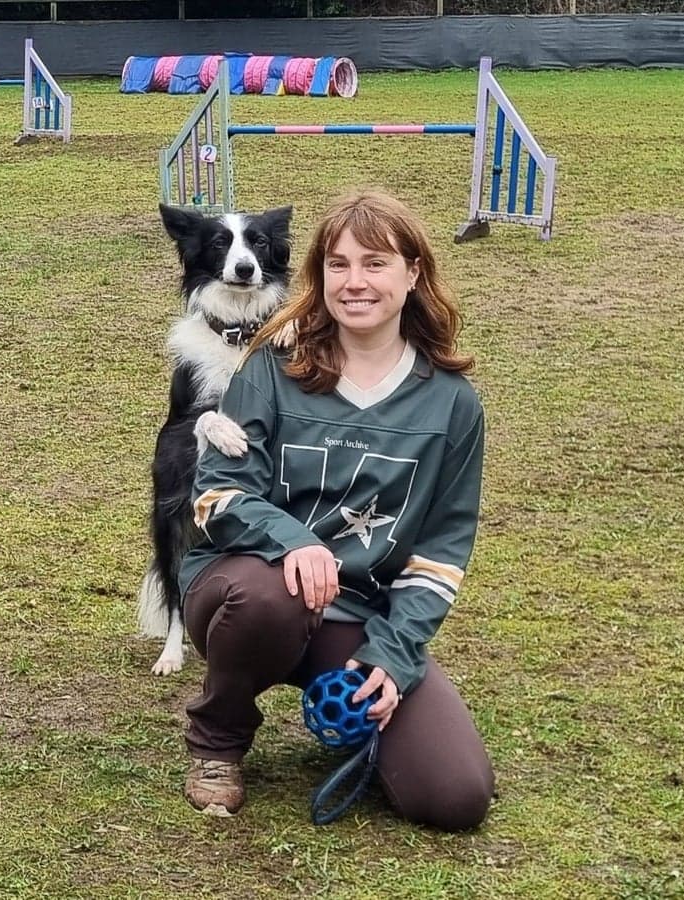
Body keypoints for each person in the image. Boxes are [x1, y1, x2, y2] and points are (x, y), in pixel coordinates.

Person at [177, 189, 495, 830]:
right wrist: (296, 540)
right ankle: (219, 737)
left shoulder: (454, 406)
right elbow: (215, 498)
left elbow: (441, 550)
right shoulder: (270, 368)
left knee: (454, 796)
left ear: (413, 274)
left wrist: (394, 654)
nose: (354, 282)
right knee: (269, 597)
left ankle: (343, 703)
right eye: (338, 264)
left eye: (375, 263)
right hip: (245, 591)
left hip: (355, 615)